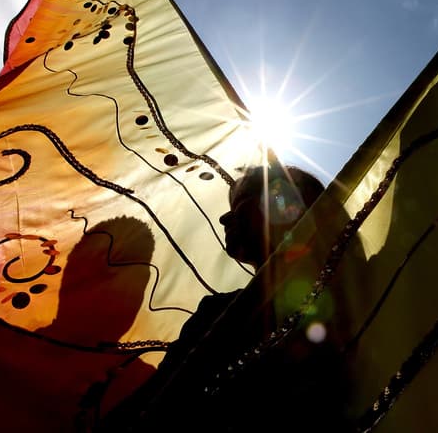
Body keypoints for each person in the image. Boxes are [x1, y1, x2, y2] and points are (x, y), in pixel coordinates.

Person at [100, 164, 339, 432]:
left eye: (240, 204)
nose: (224, 219)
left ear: (283, 207)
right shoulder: (217, 311)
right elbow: (160, 394)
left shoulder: (349, 297)